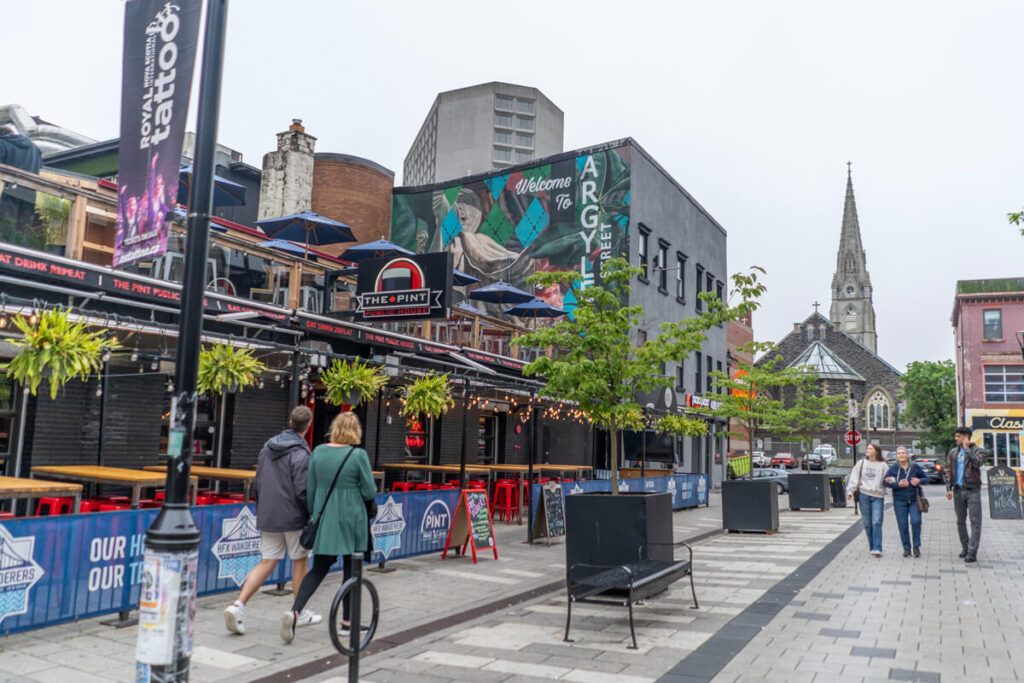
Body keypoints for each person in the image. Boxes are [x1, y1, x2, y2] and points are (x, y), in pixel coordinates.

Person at [224, 406, 321, 635]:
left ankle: (238, 605)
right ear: (308, 426)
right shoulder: (301, 453)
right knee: (300, 561)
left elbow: (259, 481)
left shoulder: (267, 448)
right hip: (293, 517)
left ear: (289, 421)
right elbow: (302, 491)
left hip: (268, 514)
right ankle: (299, 611)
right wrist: (310, 513)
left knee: (267, 561)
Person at [281, 411, 376, 644]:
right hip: (352, 519)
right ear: (355, 431)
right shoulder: (358, 455)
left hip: (326, 518)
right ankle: (347, 623)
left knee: (319, 568)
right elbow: (369, 491)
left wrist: (316, 513)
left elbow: (311, 490)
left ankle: (295, 611)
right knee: (350, 571)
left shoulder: (319, 452)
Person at [945, 426, 985, 563]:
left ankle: (972, 551)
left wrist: (968, 450)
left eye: (959, 436)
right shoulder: (953, 453)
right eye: (956, 436)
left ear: (967, 437)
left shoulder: (978, 451)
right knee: (960, 521)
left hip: (973, 489)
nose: (956, 439)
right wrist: (948, 488)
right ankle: (965, 547)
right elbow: (948, 470)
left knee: (975, 522)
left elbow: (978, 463)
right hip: (957, 490)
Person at [846, 443, 888, 557]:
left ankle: (877, 548)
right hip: (864, 495)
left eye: (870, 449)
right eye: (868, 448)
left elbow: (888, 479)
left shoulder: (883, 465)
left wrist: (891, 482)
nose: (867, 450)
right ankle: (872, 546)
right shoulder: (861, 463)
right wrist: (850, 491)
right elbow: (854, 477)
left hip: (878, 496)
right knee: (867, 523)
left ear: (876, 451)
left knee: (877, 521)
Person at [884, 446, 926, 558]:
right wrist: (897, 484)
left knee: (915, 521)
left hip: (914, 500)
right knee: (903, 525)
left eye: (904, 453)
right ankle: (906, 548)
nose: (902, 455)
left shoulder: (914, 467)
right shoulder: (893, 468)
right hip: (899, 500)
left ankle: (916, 546)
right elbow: (885, 482)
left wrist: (919, 481)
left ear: (907, 455)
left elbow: (926, 479)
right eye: (899, 453)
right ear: (897, 456)